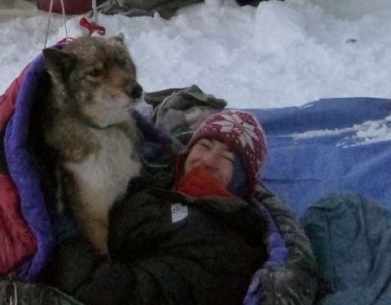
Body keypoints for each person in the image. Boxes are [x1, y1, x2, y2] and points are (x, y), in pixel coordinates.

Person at [50, 110, 270, 305]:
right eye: (204, 146)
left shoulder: (227, 247)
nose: (208, 160)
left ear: (242, 182)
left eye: (227, 157)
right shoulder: (156, 185)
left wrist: (67, 241)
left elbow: (123, 295)